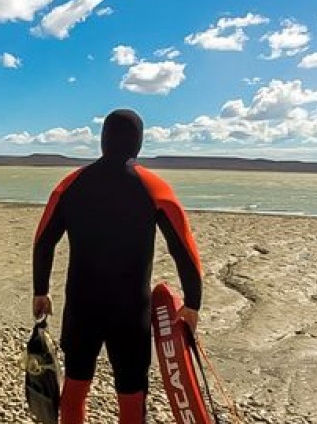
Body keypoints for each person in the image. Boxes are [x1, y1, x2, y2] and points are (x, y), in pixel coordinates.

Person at [31, 109, 204, 424]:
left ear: (103, 141)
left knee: (75, 384)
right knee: (131, 391)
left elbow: (43, 241)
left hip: (82, 306)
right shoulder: (154, 186)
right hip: (130, 311)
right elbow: (183, 247)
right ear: (138, 142)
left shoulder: (71, 184)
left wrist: (40, 291)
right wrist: (193, 302)